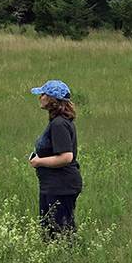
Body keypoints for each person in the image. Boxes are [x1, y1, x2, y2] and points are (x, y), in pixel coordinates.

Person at [28, 80, 82, 239]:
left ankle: (69, 262)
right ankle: (57, 262)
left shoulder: (59, 124)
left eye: (43, 94)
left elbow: (66, 157)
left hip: (61, 185)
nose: (40, 97)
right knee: (49, 232)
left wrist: (38, 162)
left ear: (52, 100)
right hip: (53, 185)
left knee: (62, 233)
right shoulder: (58, 122)